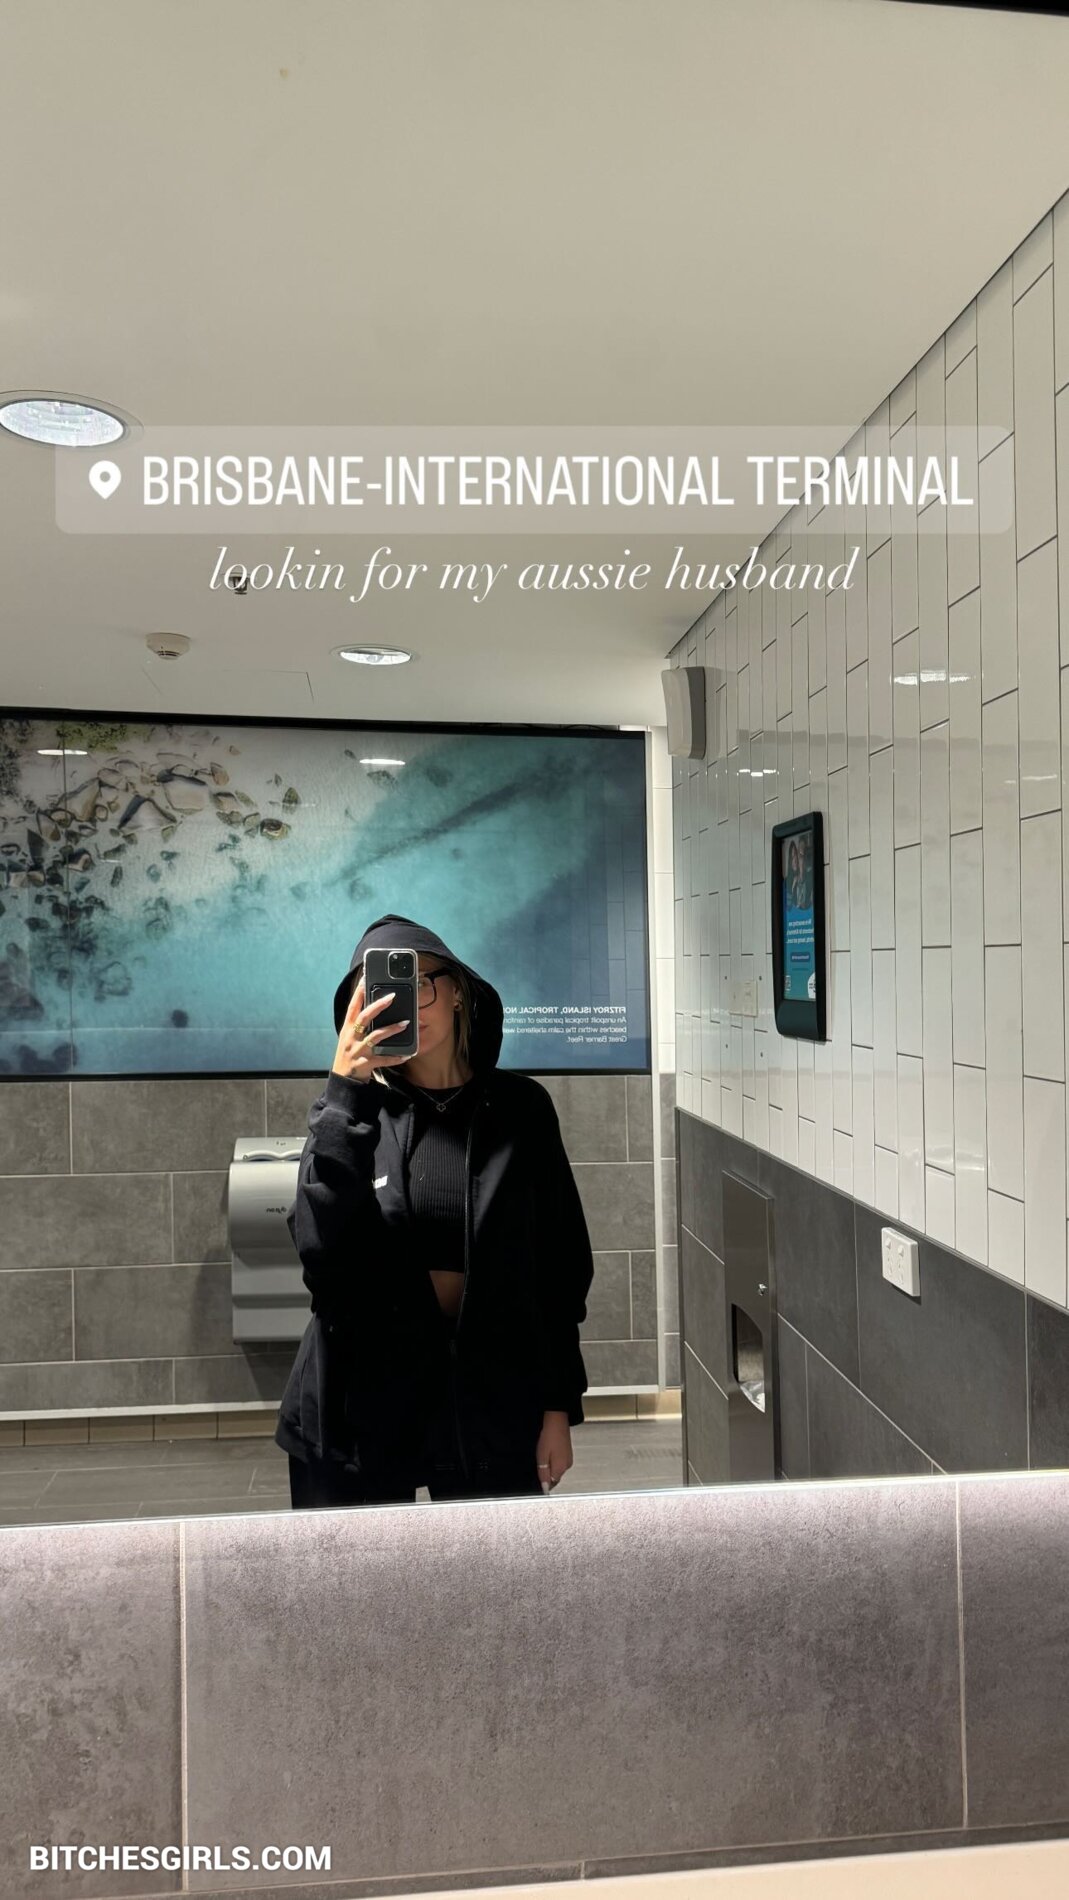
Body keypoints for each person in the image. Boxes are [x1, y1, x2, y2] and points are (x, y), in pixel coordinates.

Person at [275, 913, 595, 1509]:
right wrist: (346, 1091)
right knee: (358, 1570)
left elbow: (559, 1269)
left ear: (458, 993)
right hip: (359, 1407)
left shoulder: (521, 1110)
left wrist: (557, 1407)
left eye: (421, 982)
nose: (405, 1002)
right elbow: (320, 1255)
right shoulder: (349, 1116)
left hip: (489, 1399)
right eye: (380, 989)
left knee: (490, 1567)